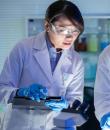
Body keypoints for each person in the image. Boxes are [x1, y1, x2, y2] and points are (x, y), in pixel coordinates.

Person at [0, 0, 84, 129]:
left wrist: (66, 104)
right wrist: (22, 92)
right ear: (47, 25)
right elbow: (2, 89)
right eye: (62, 30)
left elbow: (75, 100)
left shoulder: (76, 60)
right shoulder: (23, 48)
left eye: (75, 31)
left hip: (56, 125)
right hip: (22, 125)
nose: (70, 37)